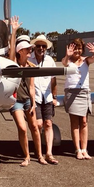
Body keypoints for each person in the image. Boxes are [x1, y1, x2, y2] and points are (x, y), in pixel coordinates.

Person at [8, 16, 47, 167]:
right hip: (16, 101)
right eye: (28, 49)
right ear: (21, 51)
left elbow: (31, 87)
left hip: (28, 101)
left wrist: (33, 103)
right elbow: (12, 48)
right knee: (23, 129)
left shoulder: (31, 67)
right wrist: (14, 31)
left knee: (35, 128)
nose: (31, 50)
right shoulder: (13, 63)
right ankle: (26, 157)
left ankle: (40, 155)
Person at [61, 38, 94, 160]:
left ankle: (84, 149)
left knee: (84, 121)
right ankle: (77, 149)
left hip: (84, 92)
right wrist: (68, 55)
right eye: (75, 48)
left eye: (79, 48)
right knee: (74, 122)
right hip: (71, 92)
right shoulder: (68, 60)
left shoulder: (85, 60)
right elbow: (64, 63)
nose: (77, 50)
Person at [29, 34, 58, 165]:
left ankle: (49, 153)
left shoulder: (50, 61)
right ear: (34, 47)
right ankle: (38, 150)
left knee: (48, 123)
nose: (41, 48)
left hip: (47, 96)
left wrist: (55, 97)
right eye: (39, 46)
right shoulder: (30, 59)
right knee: (38, 124)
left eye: (44, 46)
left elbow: (53, 80)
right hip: (35, 97)